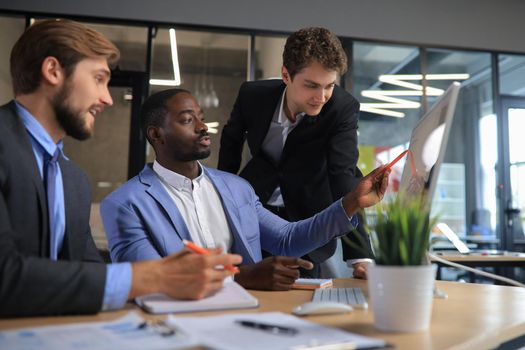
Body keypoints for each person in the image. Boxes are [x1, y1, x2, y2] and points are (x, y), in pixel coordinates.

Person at [0, 19, 241, 318]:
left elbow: (87, 275)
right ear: (53, 72)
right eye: (99, 79)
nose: (107, 98)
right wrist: (153, 276)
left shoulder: (74, 181)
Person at [100, 88, 390, 291]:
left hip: (249, 315)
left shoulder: (236, 187)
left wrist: (351, 202)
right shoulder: (125, 204)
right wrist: (240, 277)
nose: (203, 127)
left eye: (201, 117)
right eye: (188, 120)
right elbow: (147, 280)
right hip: (176, 325)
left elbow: (288, 239)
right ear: (156, 135)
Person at [217, 27, 372, 278]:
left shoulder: (341, 109)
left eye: (329, 86)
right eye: (311, 86)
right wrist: (220, 196)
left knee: (307, 297)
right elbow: (231, 141)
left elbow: (343, 174)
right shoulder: (252, 96)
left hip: (307, 219)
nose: (321, 97)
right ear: (286, 75)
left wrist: (359, 256)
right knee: (249, 287)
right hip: (257, 209)